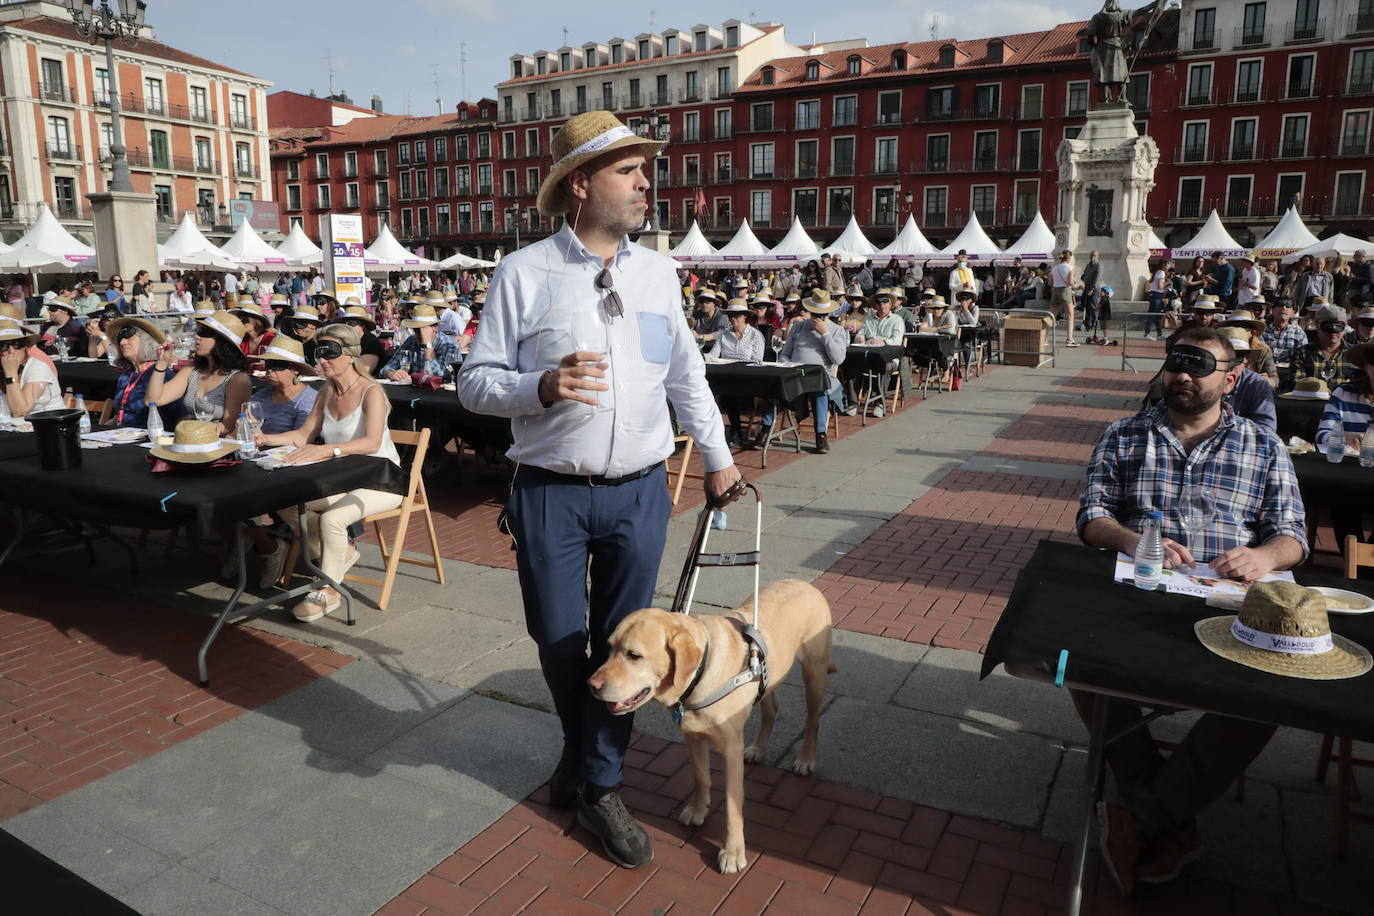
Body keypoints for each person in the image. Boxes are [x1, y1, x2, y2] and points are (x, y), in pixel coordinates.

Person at [456, 110, 743, 871]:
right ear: (580, 185)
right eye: (628, 170)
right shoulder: (523, 272)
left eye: (645, 169)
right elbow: (474, 385)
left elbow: (685, 373)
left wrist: (716, 455)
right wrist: (541, 385)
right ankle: (582, 754)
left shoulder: (657, 272)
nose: (647, 182)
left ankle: (601, 782)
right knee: (559, 641)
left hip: (641, 489)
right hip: (550, 491)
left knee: (633, 648)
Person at [1077, 326, 1306, 895]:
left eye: (1198, 364)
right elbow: (1091, 516)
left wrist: (1261, 556)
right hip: (1142, 596)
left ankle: (1143, 812)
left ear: (1230, 380)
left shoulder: (1263, 445)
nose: (1182, 373)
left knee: (1269, 693)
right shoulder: (1123, 435)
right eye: (1175, 361)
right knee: (1078, 662)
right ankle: (1163, 807)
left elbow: (1293, 535)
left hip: (1230, 603)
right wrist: (1130, 539)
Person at [255, 324, 403, 620]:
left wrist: (328, 450)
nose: (321, 359)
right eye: (317, 353)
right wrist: (263, 438)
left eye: (329, 352)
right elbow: (303, 434)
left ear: (350, 355)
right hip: (344, 481)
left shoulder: (371, 391)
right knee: (285, 503)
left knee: (333, 520)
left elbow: (372, 441)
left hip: (382, 480)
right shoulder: (326, 392)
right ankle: (339, 554)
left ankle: (329, 589)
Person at [147, 309, 251, 437]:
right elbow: (153, 401)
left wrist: (190, 427)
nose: (197, 336)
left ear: (222, 342)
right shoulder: (193, 369)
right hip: (190, 441)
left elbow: (228, 428)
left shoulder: (237, 379)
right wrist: (162, 363)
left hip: (216, 446)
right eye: (198, 331)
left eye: (204, 332)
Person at [1314, 341, 1373, 550]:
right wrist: (1345, 436)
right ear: (1365, 365)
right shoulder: (1344, 393)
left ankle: (1365, 568)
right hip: (1350, 479)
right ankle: (1356, 564)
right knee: (1341, 500)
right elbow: (1322, 435)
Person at [779, 289, 850, 449]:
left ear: (828, 314)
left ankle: (820, 435)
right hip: (796, 374)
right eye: (815, 314)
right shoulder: (798, 327)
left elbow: (839, 359)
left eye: (822, 315)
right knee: (773, 387)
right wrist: (789, 365)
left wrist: (825, 334)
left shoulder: (837, 330)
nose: (818, 318)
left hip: (821, 377)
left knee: (819, 388)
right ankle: (765, 429)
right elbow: (784, 354)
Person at [709, 300, 770, 445]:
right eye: (730, 315)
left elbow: (756, 360)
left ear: (744, 317)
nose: (732, 319)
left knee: (729, 395)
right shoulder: (724, 335)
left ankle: (735, 431)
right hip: (727, 380)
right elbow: (712, 355)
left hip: (748, 380)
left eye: (736, 315)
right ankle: (721, 431)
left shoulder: (755, 335)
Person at [97, 316, 174, 428]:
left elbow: (179, 416)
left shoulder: (161, 374)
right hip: (122, 435)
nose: (122, 342)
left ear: (146, 340)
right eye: (120, 338)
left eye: (128, 336)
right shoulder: (126, 376)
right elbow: (119, 416)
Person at [380, 304, 462, 381]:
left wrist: (428, 346)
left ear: (435, 327)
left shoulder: (449, 344)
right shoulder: (412, 340)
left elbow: (440, 376)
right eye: (416, 329)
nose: (419, 333)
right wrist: (391, 373)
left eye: (422, 329)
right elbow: (386, 368)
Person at [0, 319, 64, 417]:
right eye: (3, 346)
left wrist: (10, 374)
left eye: (17, 344)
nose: (12, 351)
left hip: (49, 423)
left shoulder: (37, 366)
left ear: (25, 346)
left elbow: (20, 411)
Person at [1293, 304, 1359, 388]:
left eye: (1339, 326)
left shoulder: (1355, 354)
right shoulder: (1303, 353)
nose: (1333, 331)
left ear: (1345, 326)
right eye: (1328, 326)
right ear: (1317, 324)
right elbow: (1297, 382)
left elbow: (1361, 385)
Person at [335, 302, 387, 374]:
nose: (347, 327)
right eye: (344, 323)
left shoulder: (371, 343)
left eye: (351, 323)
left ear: (363, 325)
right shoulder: (343, 342)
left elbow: (364, 371)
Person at [1261, 298, 1307, 365]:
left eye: (1288, 305)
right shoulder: (1262, 331)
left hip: (1290, 371)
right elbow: (1260, 354)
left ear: (1293, 312)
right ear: (1272, 310)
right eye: (1280, 305)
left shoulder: (1299, 333)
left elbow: (1302, 356)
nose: (1284, 308)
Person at [1051, 250, 1079, 347]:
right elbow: (1070, 282)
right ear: (1069, 258)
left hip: (1055, 291)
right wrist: (1076, 285)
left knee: (1051, 316)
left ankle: (1044, 338)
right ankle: (1069, 339)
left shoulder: (1054, 268)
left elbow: (1050, 283)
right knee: (1070, 315)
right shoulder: (1070, 268)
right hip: (1065, 291)